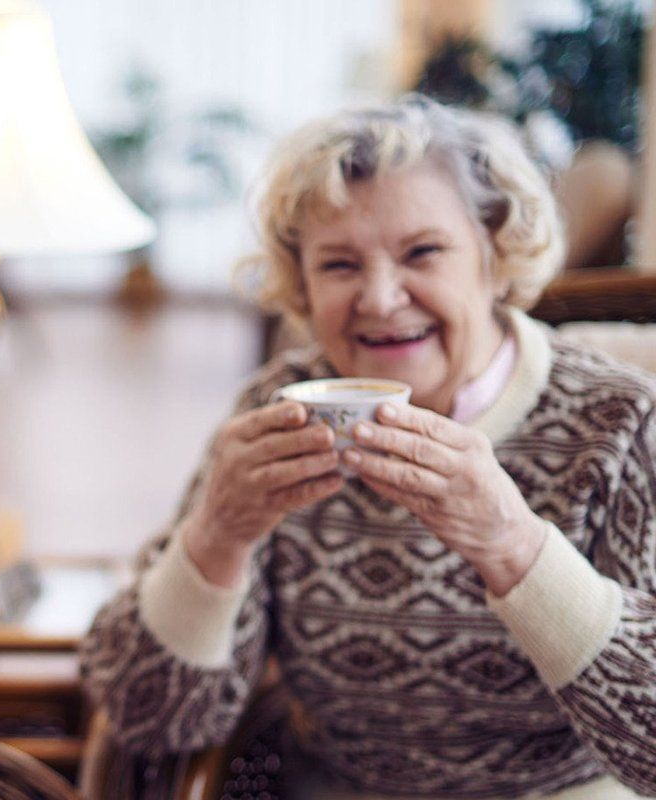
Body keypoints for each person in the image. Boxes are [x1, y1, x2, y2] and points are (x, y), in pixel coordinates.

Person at [80, 97, 656, 799]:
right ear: (301, 282)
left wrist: (511, 545)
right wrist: (215, 537)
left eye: (423, 252)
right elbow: (154, 721)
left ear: (496, 255)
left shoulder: (617, 419)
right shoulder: (278, 414)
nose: (381, 299)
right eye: (340, 265)